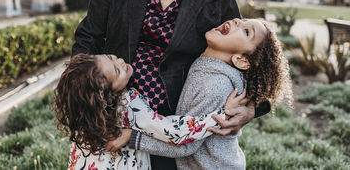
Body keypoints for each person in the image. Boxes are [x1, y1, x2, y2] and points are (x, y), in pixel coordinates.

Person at [71, 0, 270, 168]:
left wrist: (252, 108)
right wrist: (81, 98)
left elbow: (256, 60)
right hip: (111, 112)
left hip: (172, 130)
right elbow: (88, 37)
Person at [54, 53, 244, 170]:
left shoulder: (84, 118)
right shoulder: (128, 106)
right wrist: (221, 115)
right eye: (117, 71)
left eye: (111, 57)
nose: (120, 61)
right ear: (106, 93)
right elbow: (175, 132)